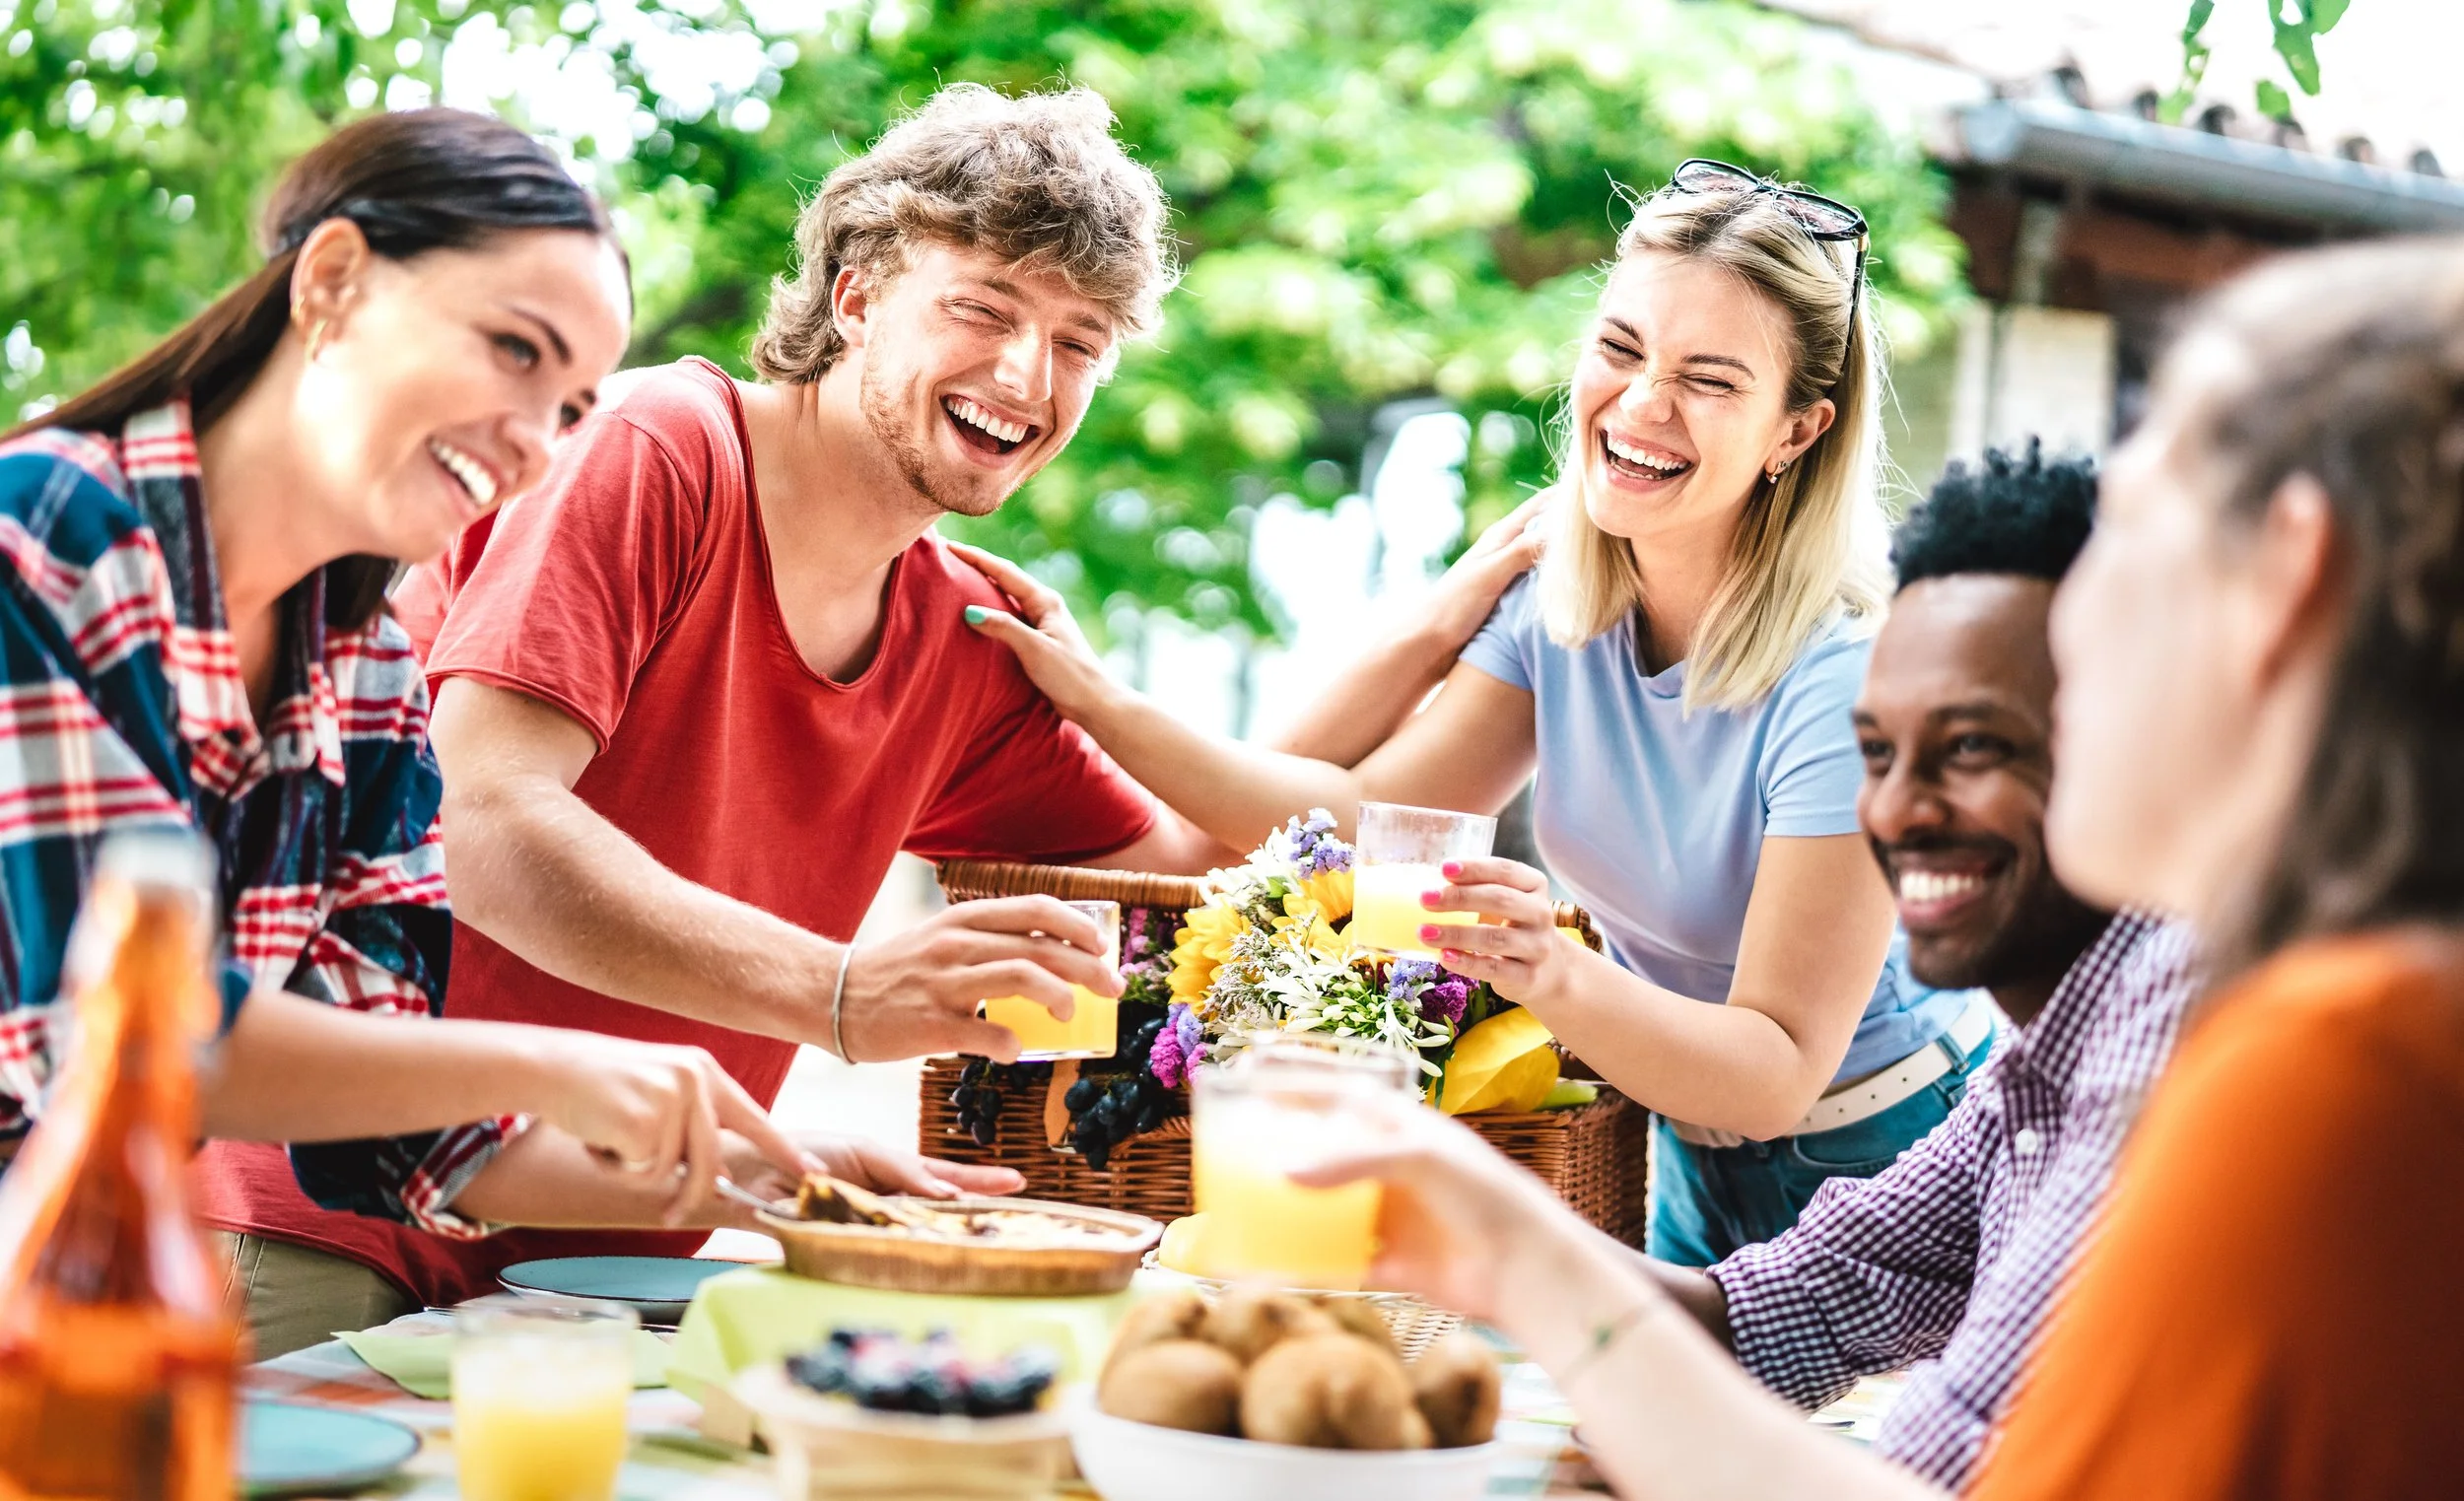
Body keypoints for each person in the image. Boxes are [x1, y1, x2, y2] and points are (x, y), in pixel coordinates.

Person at [1296, 237, 2464, 1501]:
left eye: (2129, 535)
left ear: (2290, 572)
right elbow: (1793, 1317)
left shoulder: (2332, 1054)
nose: (2068, 619)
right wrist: (1491, 1230)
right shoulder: (2118, 1022)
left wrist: (1523, 1264)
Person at [195, 84, 1237, 1318]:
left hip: (607, 1267)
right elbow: (479, 823)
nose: (1027, 372)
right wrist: (842, 993)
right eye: (983, 307)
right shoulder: (657, 447)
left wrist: (1132, 701)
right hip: (320, 1230)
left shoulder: (963, 635)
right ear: (856, 296)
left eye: (1081, 342)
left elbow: (1204, 866)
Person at [961, 159, 1983, 1262]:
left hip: (1891, 1155)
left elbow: (1778, 1067)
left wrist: (1548, 965)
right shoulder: (1565, 609)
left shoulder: (1842, 683)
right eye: (1620, 348)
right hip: (1688, 1149)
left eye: (1710, 379)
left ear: (1798, 430)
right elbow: (1348, 819)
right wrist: (1097, 699)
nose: (1641, 404)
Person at [0, 109, 871, 1351]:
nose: (535, 438)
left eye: (573, 405)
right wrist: (545, 1061)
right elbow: (123, 1032)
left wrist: (790, 1183)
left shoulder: (360, 674)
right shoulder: (49, 540)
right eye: (513, 349)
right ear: (335, 281)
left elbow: (404, 1133)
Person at [1651, 442, 2194, 1488]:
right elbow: (1787, 1302)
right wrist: (1467, 1218)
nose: (1897, 809)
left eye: (1974, 747)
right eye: (1879, 751)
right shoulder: (2043, 1055)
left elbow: (1946, 1469)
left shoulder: (2163, 1049)